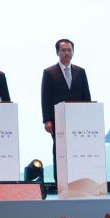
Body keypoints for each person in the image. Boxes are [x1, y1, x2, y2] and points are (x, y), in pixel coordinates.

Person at [40, 38, 91, 178]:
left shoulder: (80, 72)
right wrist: (47, 120)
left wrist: (88, 117)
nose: (67, 53)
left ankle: (77, 178)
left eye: (69, 50)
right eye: (63, 50)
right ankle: (59, 179)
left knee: (78, 150)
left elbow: (86, 95)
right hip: (57, 120)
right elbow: (45, 97)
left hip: (78, 120)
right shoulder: (49, 72)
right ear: (57, 52)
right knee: (60, 149)